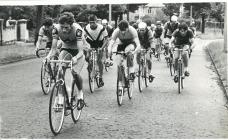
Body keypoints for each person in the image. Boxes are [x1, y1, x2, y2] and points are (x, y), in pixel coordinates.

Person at [46, 12, 88, 109]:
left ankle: (80, 95)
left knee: (75, 73)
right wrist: (48, 57)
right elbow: (53, 49)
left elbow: (81, 51)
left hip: (78, 51)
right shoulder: (56, 29)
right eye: (62, 27)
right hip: (66, 48)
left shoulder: (77, 30)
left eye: (67, 27)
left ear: (71, 25)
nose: (64, 30)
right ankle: (61, 97)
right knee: (60, 71)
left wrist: (75, 58)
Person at [107, 20, 141, 86]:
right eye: (121, 30)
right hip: (121, 43)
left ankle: (131, 72)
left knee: (128, 51)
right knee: (119, 63)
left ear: (128, 28)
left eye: (124, 30)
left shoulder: (132, 30)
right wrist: (109, 52)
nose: (122, 32)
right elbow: (111, 44)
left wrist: (133, 52)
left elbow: (138, 45)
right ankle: (122, 82)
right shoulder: (116, 31)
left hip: (131, 43)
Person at [84, 15, 108, 87]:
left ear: (96, 22)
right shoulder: (86, 28)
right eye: (90, 22)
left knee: (99, 61)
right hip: (90, 43)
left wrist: (102, 48)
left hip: (99, 43)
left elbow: (106, 39)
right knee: (87, 58)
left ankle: (100, 77)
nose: (92, 24)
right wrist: (87, 48)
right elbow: (82, 39)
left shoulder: (102, 28)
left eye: (93, 22)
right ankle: (90, 66)